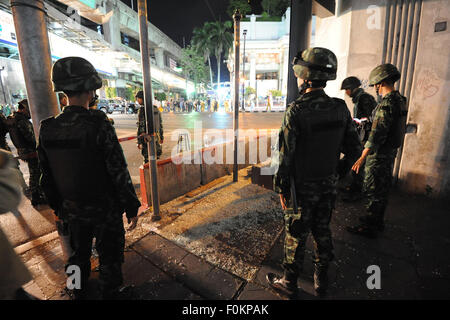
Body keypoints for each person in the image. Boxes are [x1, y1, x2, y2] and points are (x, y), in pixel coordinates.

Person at [38, 56, 141, 299]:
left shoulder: (47, 127)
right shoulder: (98, 124)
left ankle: (76, 289)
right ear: (90, 89)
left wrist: (60, 208)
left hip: (71, 210)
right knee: (110, 256)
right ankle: (110, 292)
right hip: (104, 209)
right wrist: (131, 206)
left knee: (76, 255)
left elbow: (46, 177)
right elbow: (118, 171)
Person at [266, 47, 362, 298]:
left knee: (295, 236)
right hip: (328, 185)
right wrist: (337, 173)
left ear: (305, 77)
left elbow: (285, 157)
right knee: (323, 230)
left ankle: (289, 283)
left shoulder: (296, 110)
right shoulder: (341, 108)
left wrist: (281, 188)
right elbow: (355, 149)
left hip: (302, 188)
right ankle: (321, 279)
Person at [346, 64, 407, 239]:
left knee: (373, 190)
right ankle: (376, 221)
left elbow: (377, 134)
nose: (375, 88)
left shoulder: (386, 104)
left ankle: (369, 226)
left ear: (381, 83)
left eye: (375, 85)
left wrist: (362, 157)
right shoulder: (400, 100)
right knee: (382, 189)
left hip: (378, 154)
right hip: (389, 152)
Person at [340, 76, 377, 201]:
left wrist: (355, 122)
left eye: (346, 89)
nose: (346, 92)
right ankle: (353, 187)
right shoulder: (360, 99)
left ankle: (356, 193)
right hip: (361, 136)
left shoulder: (364, 99)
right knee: (353, 161)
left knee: (359, 165)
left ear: (352, 88)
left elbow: (369, 120)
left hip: (365, 138)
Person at [7, 99, 46, 206]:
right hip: (30, 150)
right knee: (35, 173)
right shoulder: (22, 121)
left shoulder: (14, 119)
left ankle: (37, 194)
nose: (30, 112)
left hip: (23, 150)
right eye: (28, 109)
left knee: (34, 172)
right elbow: (30, 137)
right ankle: (36, 196)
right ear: (24, 108)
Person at [136, 90, 163, 162]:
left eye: (138, 98)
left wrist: (139, 141)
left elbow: (141, 126)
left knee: (147, 160)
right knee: (155, 159)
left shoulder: (142, 110)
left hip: (146, 139)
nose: (137, 100)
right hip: (156, 138)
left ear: (142, 99)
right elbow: (160, 124)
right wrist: (161, 137)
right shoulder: (155, 108)